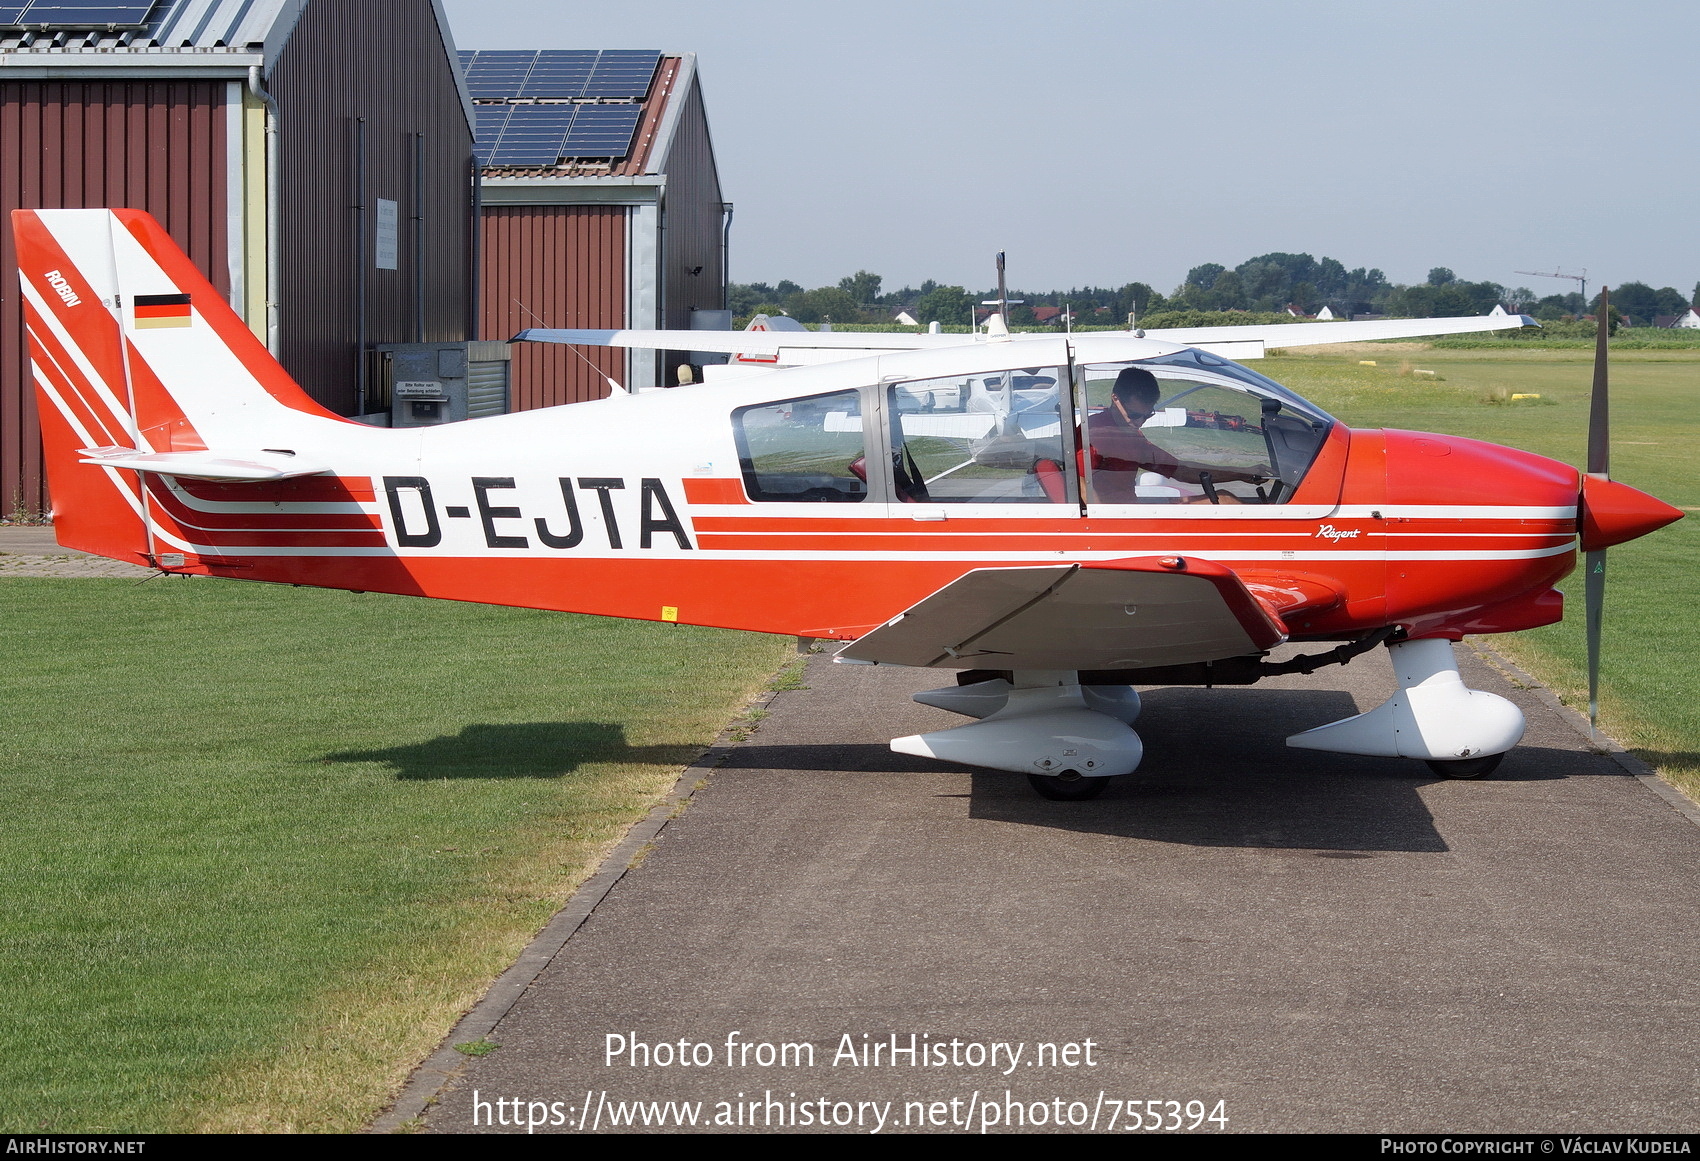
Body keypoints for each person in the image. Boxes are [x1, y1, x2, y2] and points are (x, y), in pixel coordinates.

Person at [1086, 367, 1269, 503]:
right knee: (1226, 503)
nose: (1140, 422)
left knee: (1224, 499)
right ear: (1115, 399)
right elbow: (1078, 487)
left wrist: (1243, 472)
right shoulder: (1095, 435)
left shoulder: (1130, 435)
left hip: (1129, 514)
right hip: (1116, 524)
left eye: (1147, 415)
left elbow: (1181, 470)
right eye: (1134, 415)